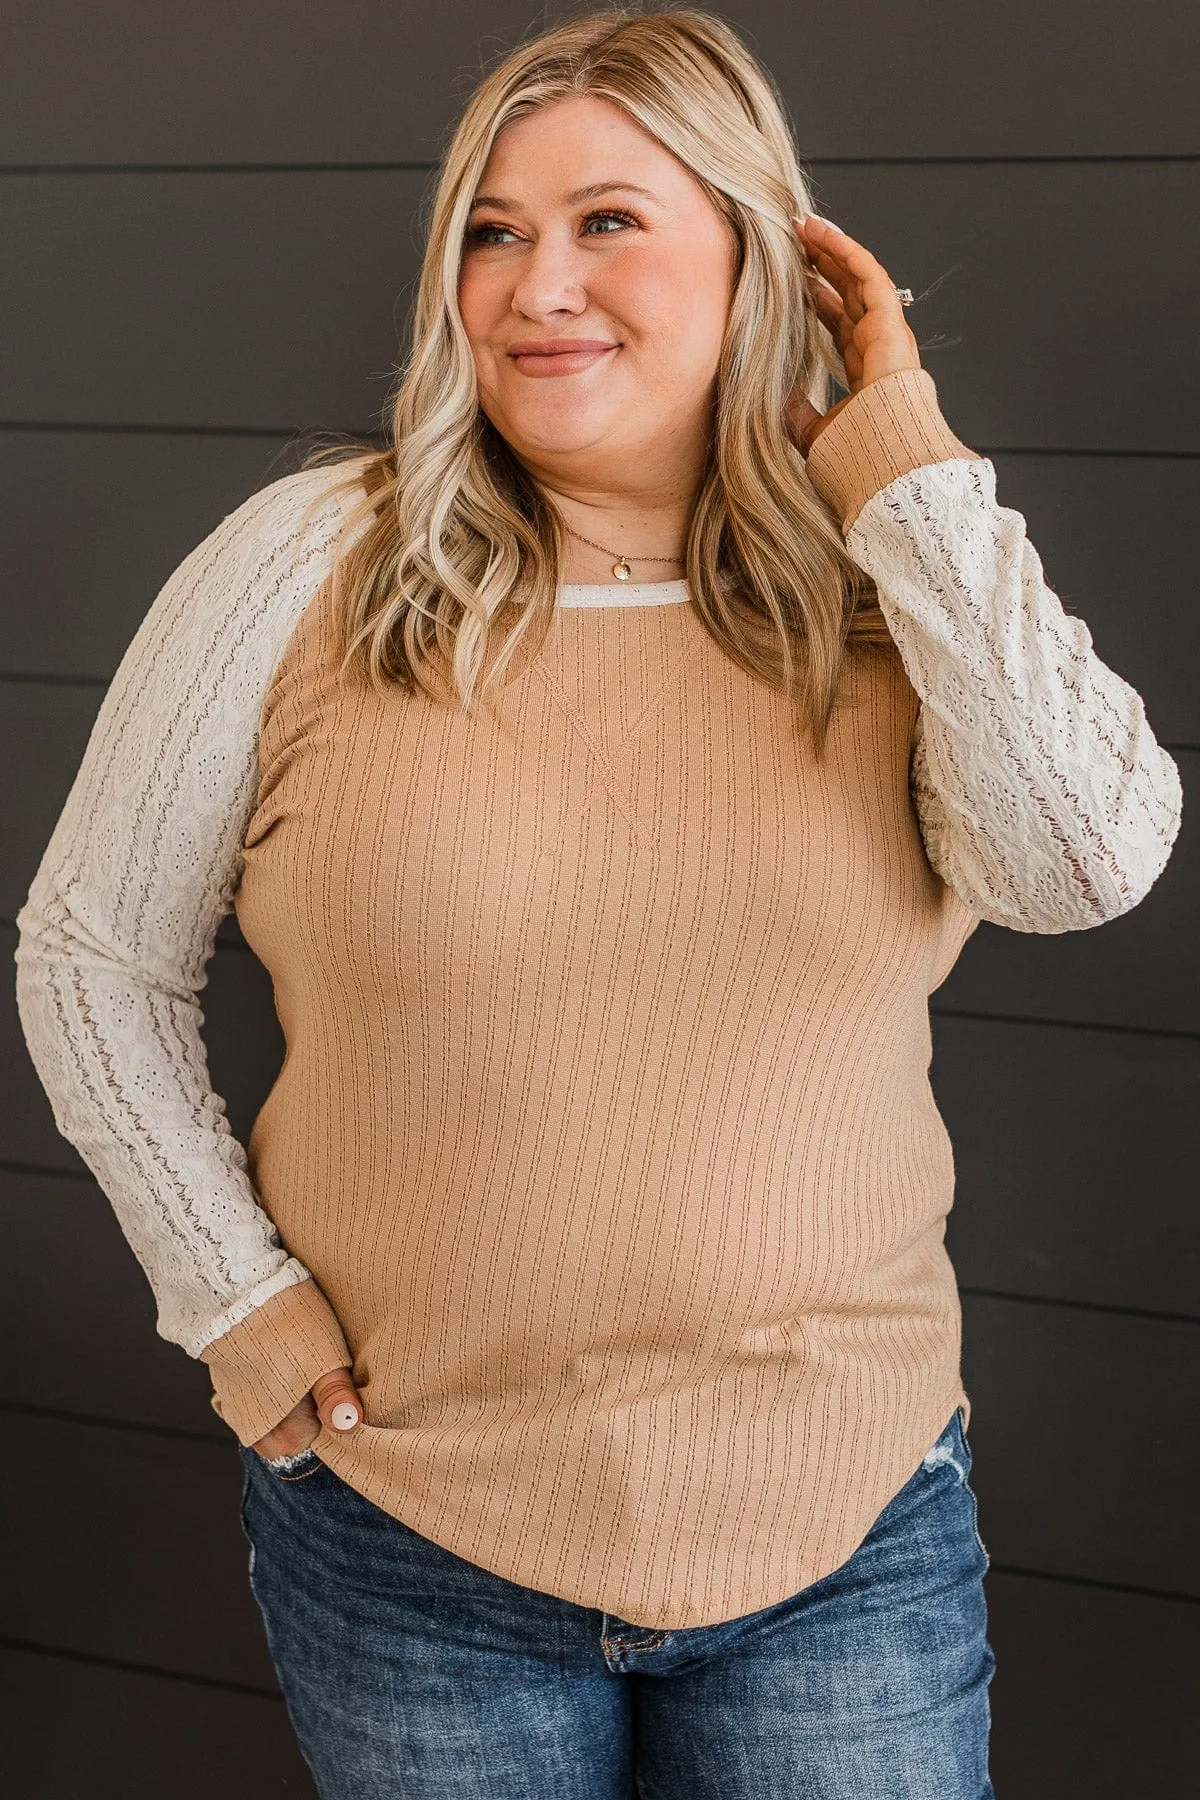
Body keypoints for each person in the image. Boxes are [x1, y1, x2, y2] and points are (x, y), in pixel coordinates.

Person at [14, 8, 1181, 1798]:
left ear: (763, 249)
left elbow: (1087, 864)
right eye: (492, 231)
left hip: (842, 1525)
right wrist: (232, 1299)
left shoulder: (892, 590)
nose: (536, 283)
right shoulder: (310, 560)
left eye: (607, 220)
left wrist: (910, 465)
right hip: (412, 1531)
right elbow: (91, 955)